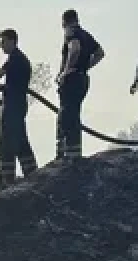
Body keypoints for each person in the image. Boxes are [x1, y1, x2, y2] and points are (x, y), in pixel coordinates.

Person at [0, 28, 38, 188]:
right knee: (21, 141)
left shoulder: (15, 59)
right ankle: (33, 175)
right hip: (17, 105)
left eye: (3, 42)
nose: (1, 46)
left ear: (12, 40)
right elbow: (15, 83)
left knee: (6, 143)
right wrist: (0, 88)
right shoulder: (20, 59)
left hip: (13, 107)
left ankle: (6, 181)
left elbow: (0, 74)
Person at [55, 9, 104, 161]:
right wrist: (85, 66)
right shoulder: (86, 34)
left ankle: (66, 156)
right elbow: (100, 53)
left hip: (72, 79)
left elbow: (75, 48)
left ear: (65, 22)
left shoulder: (72, 33)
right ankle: (72, 153)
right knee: (73, 114)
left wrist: (66, 71)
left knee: (66, 116)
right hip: (82, 79)